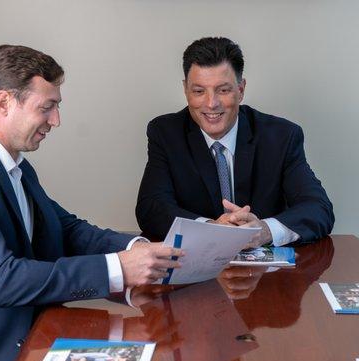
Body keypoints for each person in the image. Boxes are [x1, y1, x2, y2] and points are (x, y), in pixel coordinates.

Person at [0, 44, 183, 361]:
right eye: (46, 108)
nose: (56, 121)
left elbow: (67, 229)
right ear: (4, 102)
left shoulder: (15, 164)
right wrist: (117, 270)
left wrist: (139, 250)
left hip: (21, 335)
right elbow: (2, 280)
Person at [136, 37, 334, 247]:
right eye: (198, 91)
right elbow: (151, 208)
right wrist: (211, 228)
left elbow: (318, 208)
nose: (211, 103)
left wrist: (264, 231)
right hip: (194, 271)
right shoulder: (166, 133)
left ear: (240, 90)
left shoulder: (282, 136)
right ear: (186, 90)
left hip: (269, 275)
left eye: (223, 90)